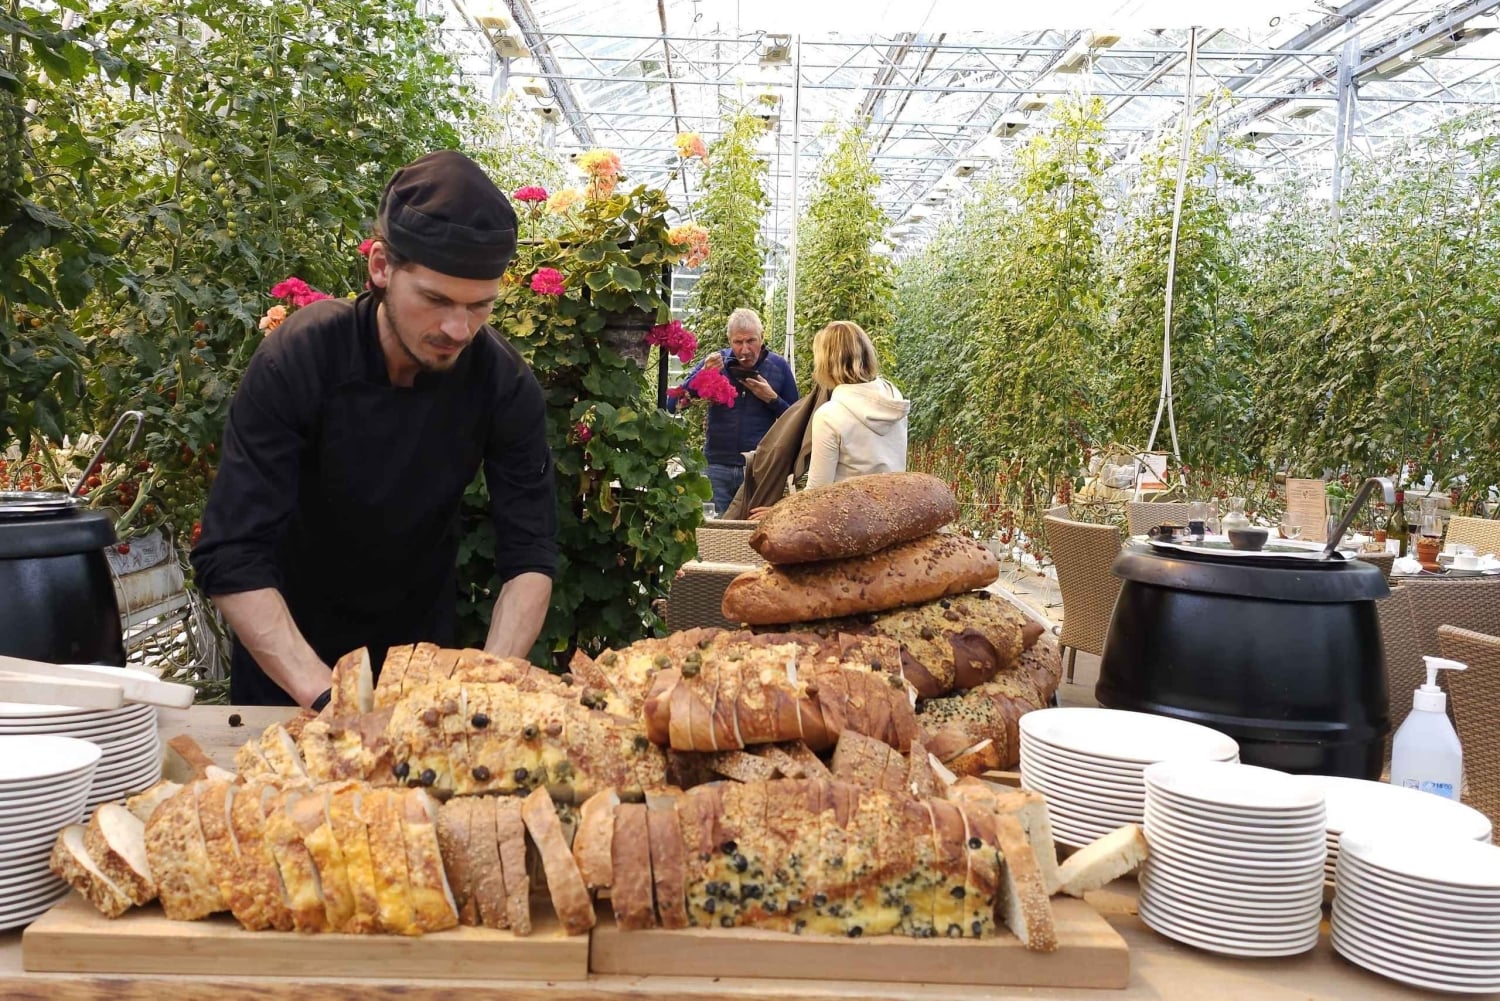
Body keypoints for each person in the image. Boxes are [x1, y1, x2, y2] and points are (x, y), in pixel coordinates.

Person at [191, 151, 558, 708]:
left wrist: (488, 682)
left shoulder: (502, 381)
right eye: (435, 300)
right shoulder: (301, 356)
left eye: (480, 306)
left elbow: (529, 554)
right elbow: (232, 553)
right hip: (288, 670)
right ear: (382, 267)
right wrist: (325, 699)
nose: (458, 330)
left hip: (421, 667)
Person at [666, 307, 798, 514]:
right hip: (716, 465)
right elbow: (673, 404)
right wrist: (702, 374)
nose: (745, 350)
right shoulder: (716, 363)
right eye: (738, 342)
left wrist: (772, 399)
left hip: (756, 468)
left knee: (751, 535)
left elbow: (795, 421)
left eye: (751, 341)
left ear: (762, 338)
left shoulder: (778, 367)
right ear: (730, 342)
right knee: (714, 533)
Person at [804, 320, 910, 490]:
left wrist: (778, 510)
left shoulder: (829, 416)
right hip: (894, 508)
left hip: (850, 513)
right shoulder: (894, 400)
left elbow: (818, 491)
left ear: (826, 363)